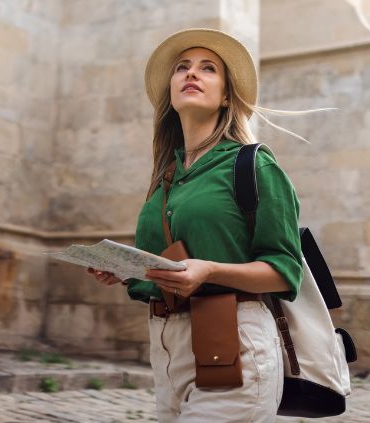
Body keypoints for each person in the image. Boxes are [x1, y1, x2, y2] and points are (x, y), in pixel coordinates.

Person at [87, 28, 304, 422]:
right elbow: (174, 260)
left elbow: (284, 270)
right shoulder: (165, 177)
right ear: (170, 92)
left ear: (225, 96)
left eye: (208, 68)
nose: (192, 74)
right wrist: (127, 270)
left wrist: (209, 271)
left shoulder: (254, 165)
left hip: (233, 341)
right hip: (167, 347)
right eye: (182, 68)